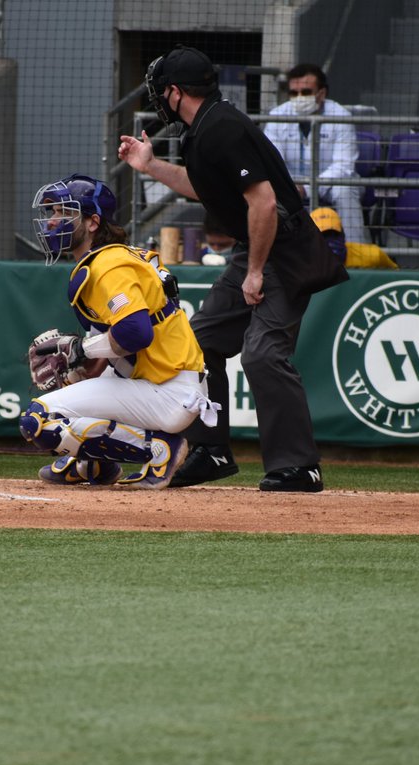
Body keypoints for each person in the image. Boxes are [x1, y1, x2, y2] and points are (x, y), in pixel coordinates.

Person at [118, 45, 347, 492]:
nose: (158, 100)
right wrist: (151, 166)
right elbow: (201, 187)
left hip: (284, 249)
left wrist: (255, 271)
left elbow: (263, 202)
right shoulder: (201, 129)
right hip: (257, 246)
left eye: (161, 91)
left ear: (176, 91)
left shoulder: (222, 126)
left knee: (263, 354)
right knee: (200, 342)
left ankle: (300, 466)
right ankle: (211, 449)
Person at [19, 173, 217, 489]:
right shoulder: (116, 256)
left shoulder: (108, 265)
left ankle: (159, 448)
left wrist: (80, 350)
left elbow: (136, 334)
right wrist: (77, 373)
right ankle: (92, 466)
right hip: (156, 381)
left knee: (38, 420)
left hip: (166, 390)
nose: (53, 221)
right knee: (69, 395)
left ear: (93, 222)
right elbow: (116, 347)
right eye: (52, 213)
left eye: (64, 213)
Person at [261, 63, 366, 245]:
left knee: (346, 190)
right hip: (290, 184)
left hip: (333, 184)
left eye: (306, 92)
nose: (299, 98)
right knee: (266, 191)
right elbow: (272, 161)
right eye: (294, 93)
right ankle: (273, 256)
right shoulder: (277, 115)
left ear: (321, 93)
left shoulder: (341, 116)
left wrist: (307, 188)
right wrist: (291, 186)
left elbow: (343, 167)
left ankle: (356, 252)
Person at [311, 206, 398, 269]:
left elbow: (396, 277)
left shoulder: (372, 255)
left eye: (333, 234)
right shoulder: (300, 265)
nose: (329, 243)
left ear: (343, 235)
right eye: (322, 237)